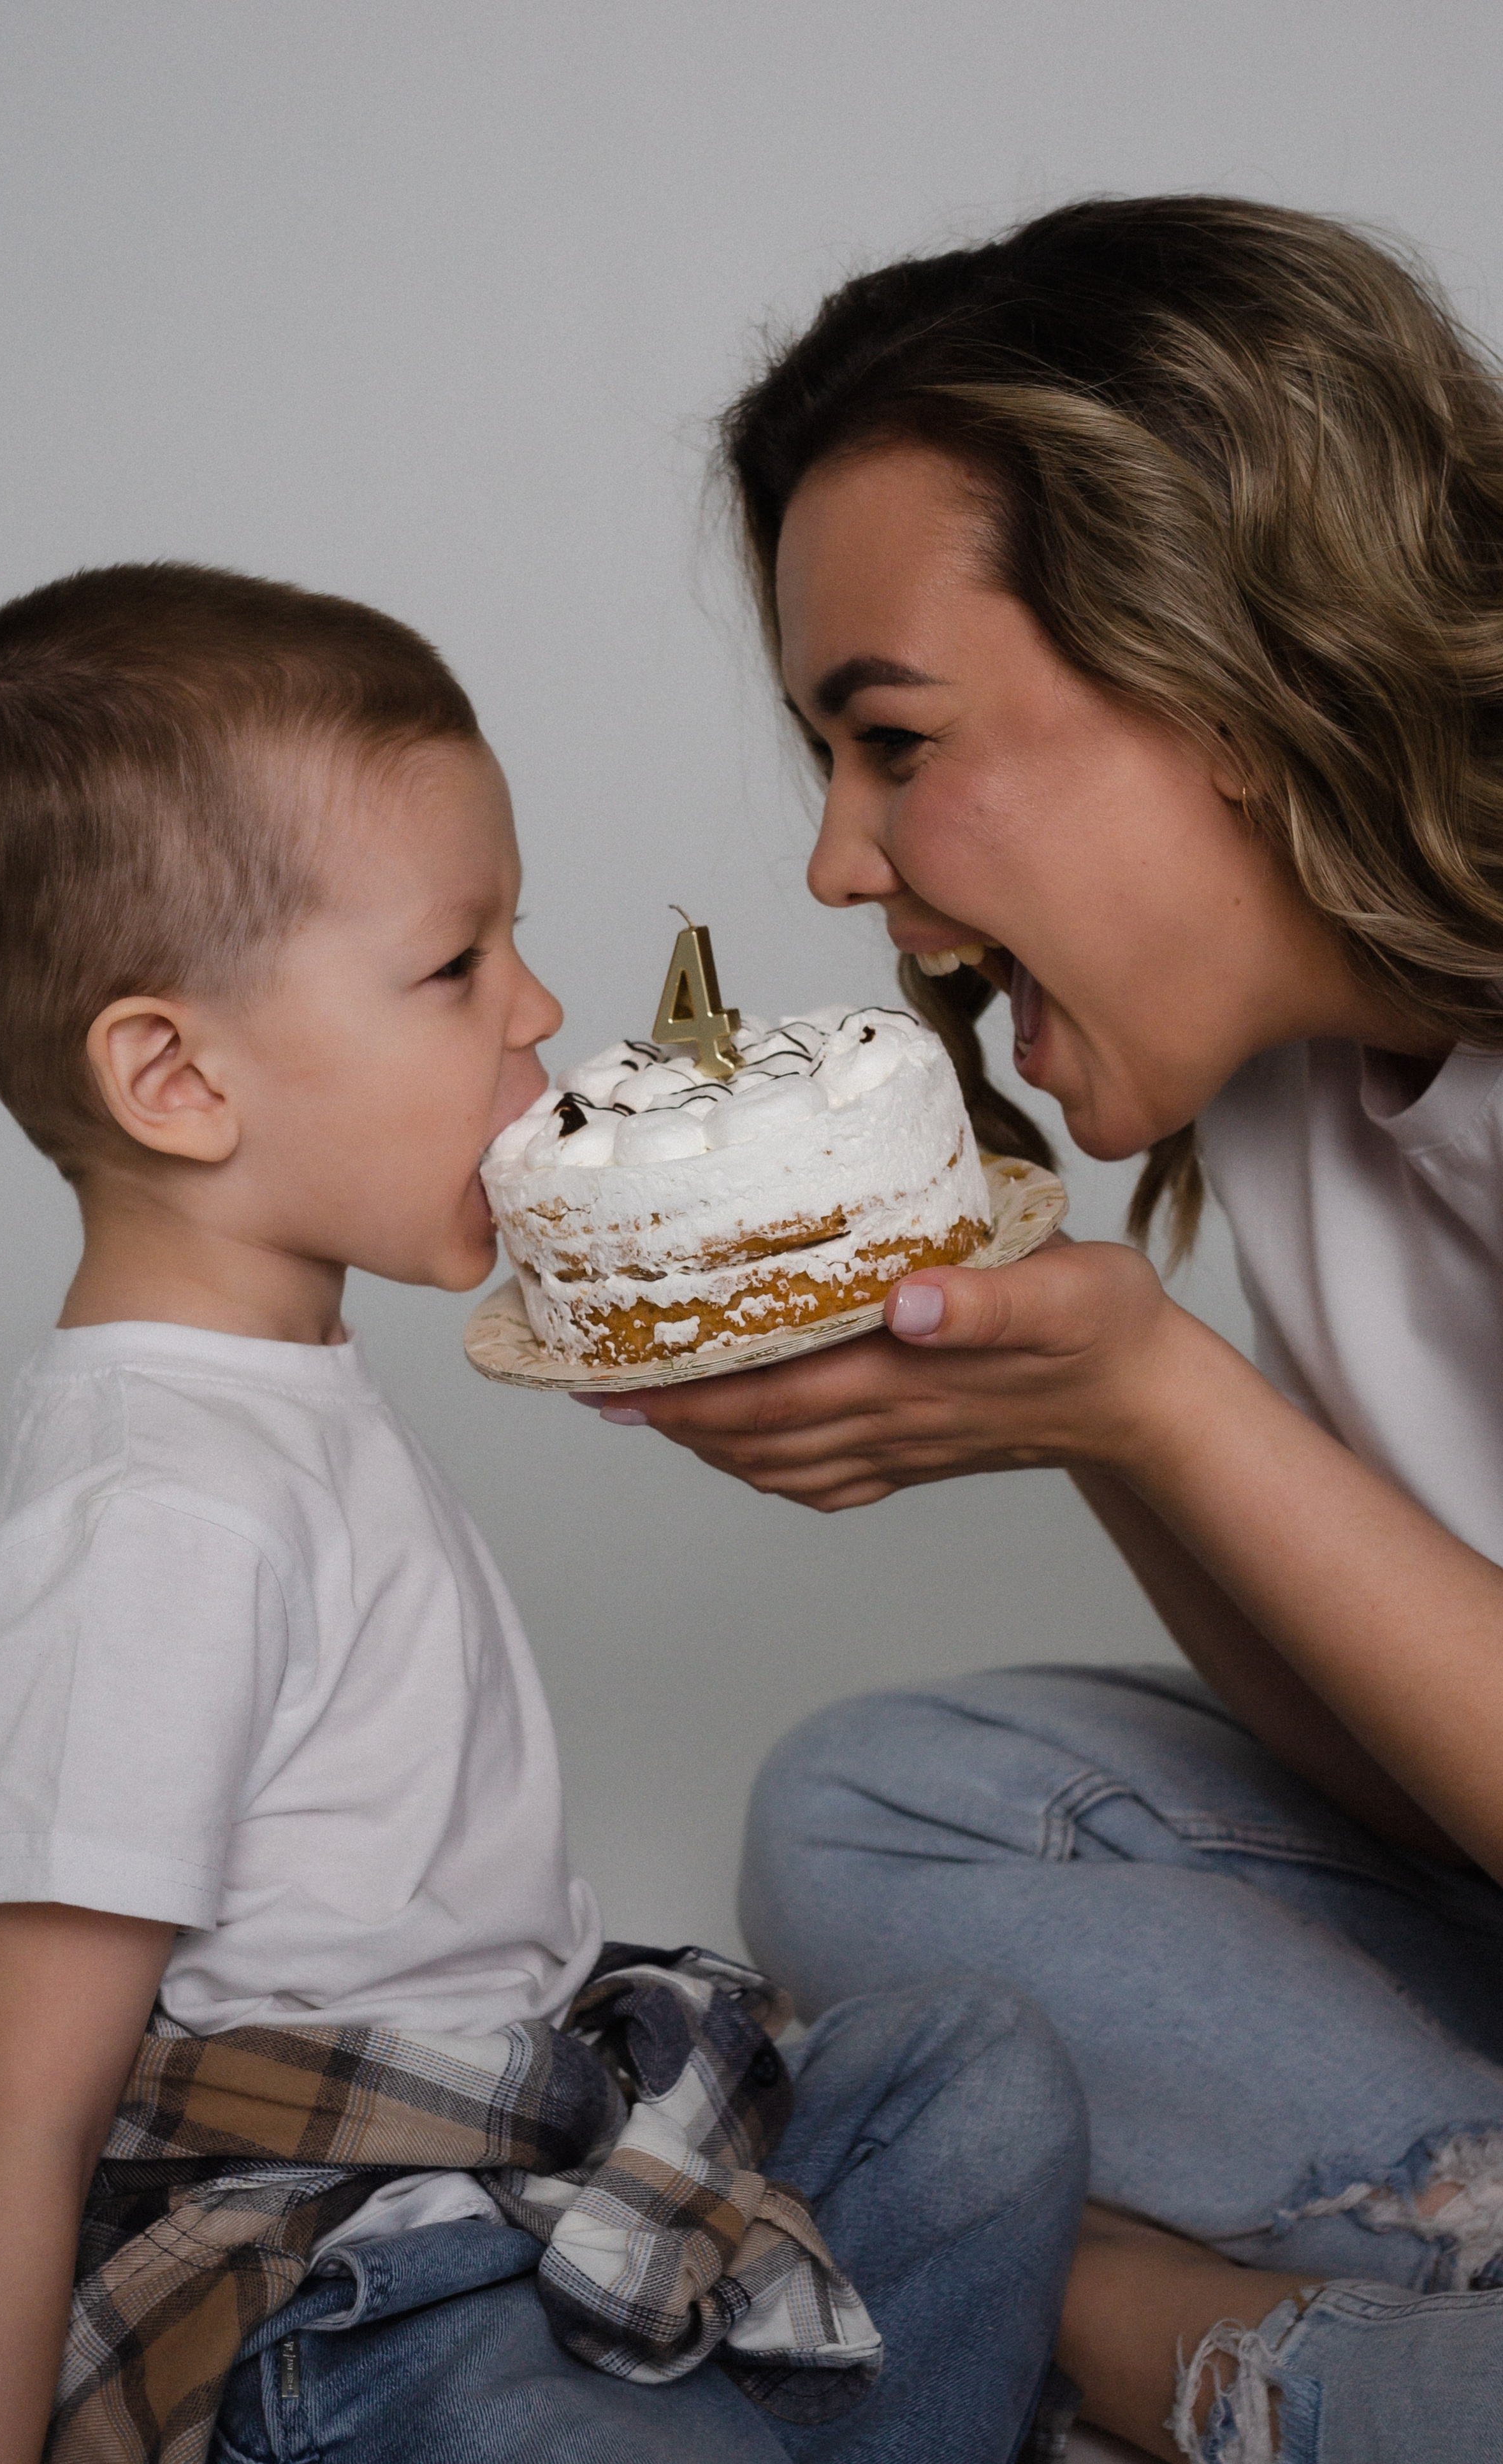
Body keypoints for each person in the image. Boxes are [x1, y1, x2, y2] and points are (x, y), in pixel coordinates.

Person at [0, 564, 1087, 2464]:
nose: (535, 1007)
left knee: (979, 2079)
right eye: (458, 967)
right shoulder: (154, 1517)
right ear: (178, 1078)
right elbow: (15, 2116)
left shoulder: (285, 1400)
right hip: (346, 2300)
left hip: (521, 2182)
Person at [612, 198, 1503, 2463]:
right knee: (880, 1801)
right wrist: (1108, 1420)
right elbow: (1403, 1769)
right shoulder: (1301, 1081)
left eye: (890, 737)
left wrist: (1167, 1395)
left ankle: (1178, 2346)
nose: (837, 859)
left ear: (1226, 668)